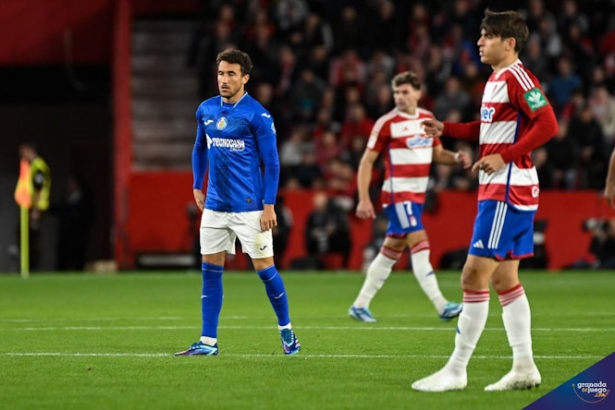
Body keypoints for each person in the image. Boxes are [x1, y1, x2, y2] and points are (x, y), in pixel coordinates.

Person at [412, 10, 558, 392]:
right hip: (502, 187)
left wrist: (505, 156)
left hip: (508, 188)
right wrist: (448, 129)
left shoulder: (518, 77)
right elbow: (485, 129)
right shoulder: (496, 79)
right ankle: (524, 367)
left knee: (472, 275)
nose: (479, 42)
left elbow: (548, 123)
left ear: (509, 43)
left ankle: (456, 370)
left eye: (487, 36)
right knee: (506, 279)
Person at [175, 49, 300, 356]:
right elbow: (199, 149)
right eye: (221, 73)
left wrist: (269, 204)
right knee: (210, 273)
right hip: (215, 207)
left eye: (231, 74)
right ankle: (208, 341)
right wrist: (196, 184)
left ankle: (287, 332)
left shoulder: (257, 115)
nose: (224, 80)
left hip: (249, 209)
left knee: (265, 272)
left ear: (245, 77)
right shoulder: (205, 110)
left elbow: (271, 163)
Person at [348, 71, 472, 323]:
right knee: (420, 242)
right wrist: (363, 198)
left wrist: (457, 158)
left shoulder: (427, 119)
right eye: (397, 92)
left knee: (391, 251)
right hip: (397, 194)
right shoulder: (387, 123)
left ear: (418, 92)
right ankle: (442, 305)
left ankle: (360, 305)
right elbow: (366, 162)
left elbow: (438, 154)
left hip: (417, 197)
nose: (400, 97)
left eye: (405, 92)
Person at [14, 143, 51, 271]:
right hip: (31, 207)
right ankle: (28, 266)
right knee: (25, 237)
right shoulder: (30, 166)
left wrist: (35, 210)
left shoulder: (38, 166)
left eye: (23, 153)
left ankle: (33, 267)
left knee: (33, 241)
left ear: (30, 151)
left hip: (36, 208)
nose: (22, 156)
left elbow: (38, 188)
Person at [49, 176, 96, 271]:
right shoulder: (64, 198)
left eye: (71, 183)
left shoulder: (84, 199)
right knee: (63, 260)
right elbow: (58, 210)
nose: (69, 186)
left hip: (79, 236)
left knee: (78, 259)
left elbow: (91, 216)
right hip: (65, 235)